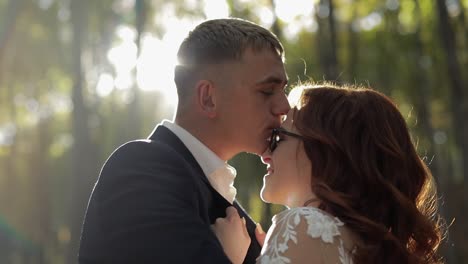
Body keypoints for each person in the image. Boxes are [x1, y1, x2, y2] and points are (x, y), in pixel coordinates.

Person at [78, 18, 290, 264]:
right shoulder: (141, 169)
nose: (284, 106)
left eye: (283, 90)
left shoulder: (235, 215)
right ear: (208, 98)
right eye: (266, 91)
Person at [213, 83, 444, 263]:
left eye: (277, 138)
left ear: (323, 150)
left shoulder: (302, 224)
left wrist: (225, 258)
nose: (265, 153)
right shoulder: (365, 248)